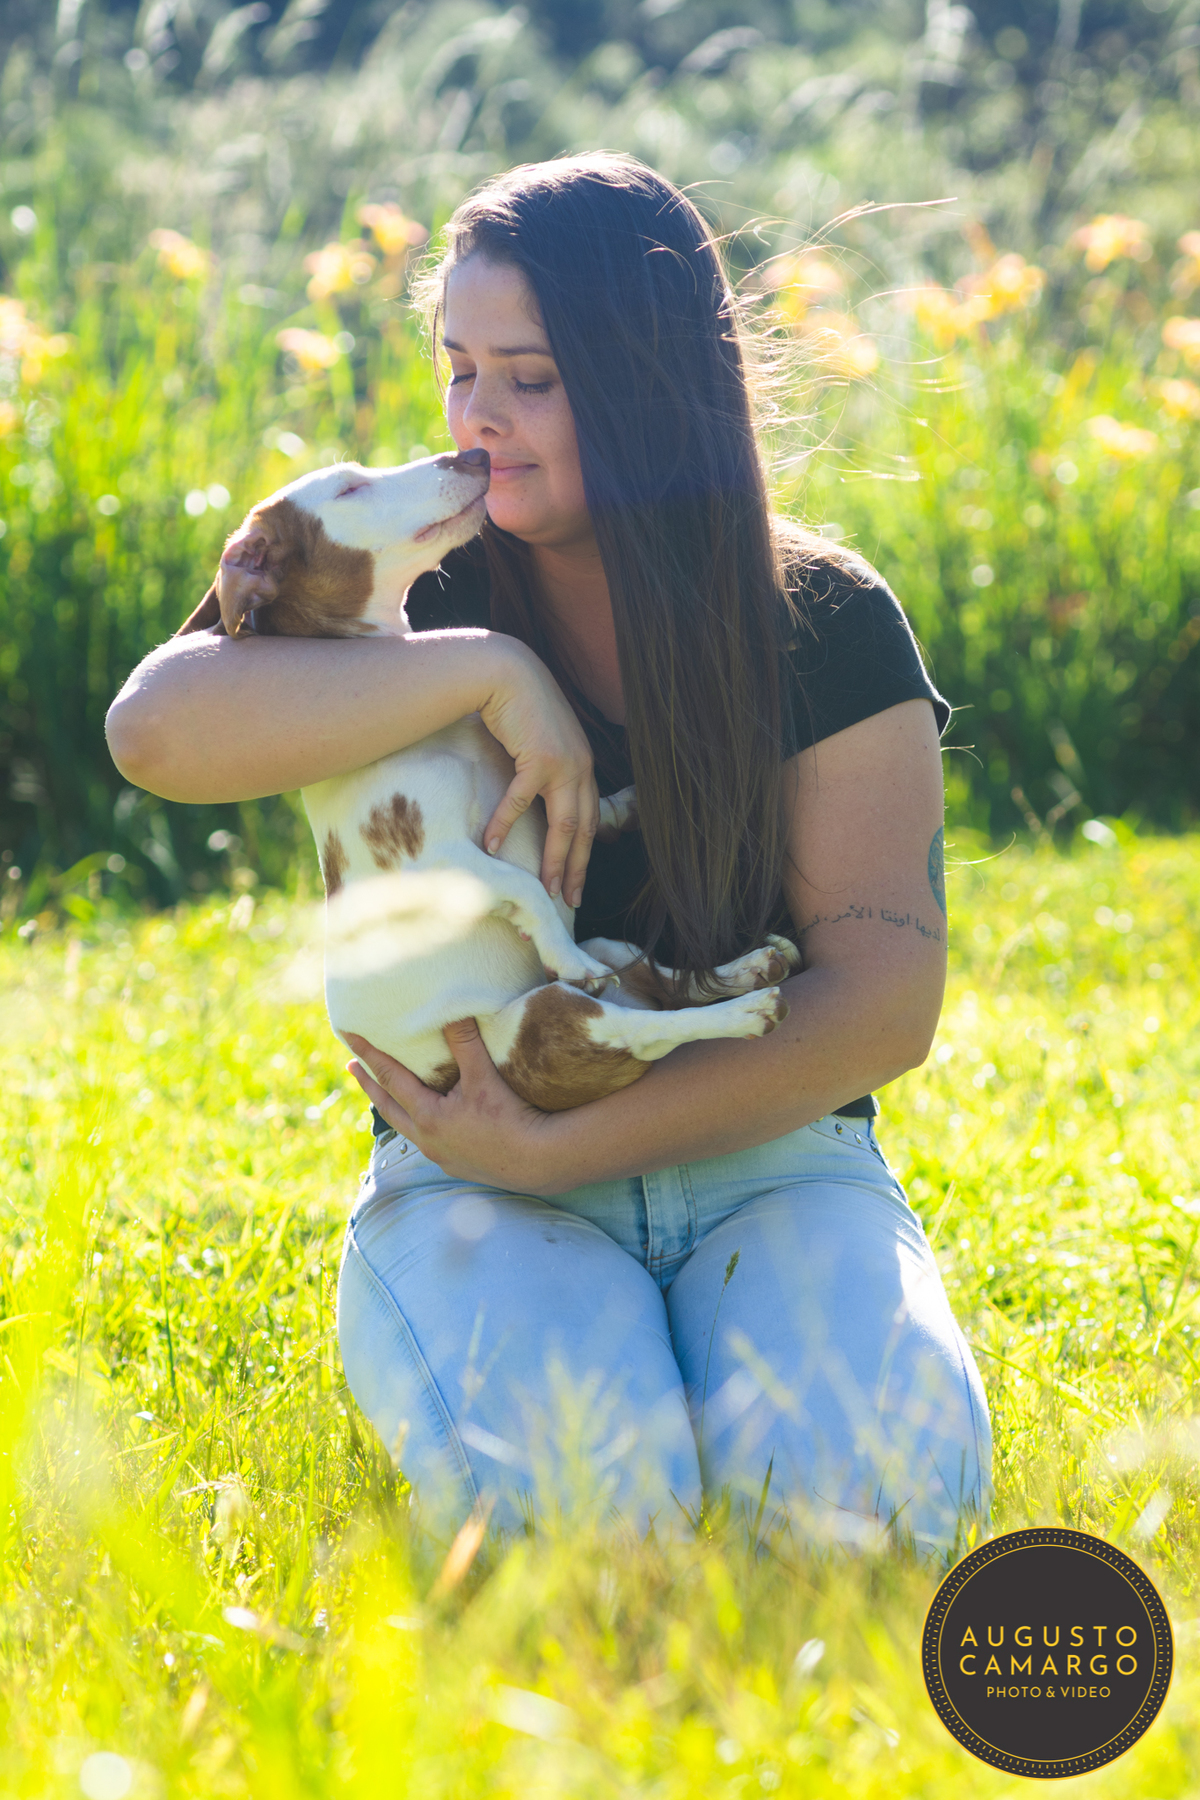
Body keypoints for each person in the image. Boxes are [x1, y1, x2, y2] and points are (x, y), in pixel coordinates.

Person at [106, 153, 991, 1553]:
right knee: (592, 1531)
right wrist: (489, 668)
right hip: (464, 1185)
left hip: (770, 1160)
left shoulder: (821, 614)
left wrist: (558, 1149)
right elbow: (156, 731)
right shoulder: (413, 589)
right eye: (460, 369)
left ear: (647, 382)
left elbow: (882, 1005)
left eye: (530, 377)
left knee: (860, 1523)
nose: (478, 421)